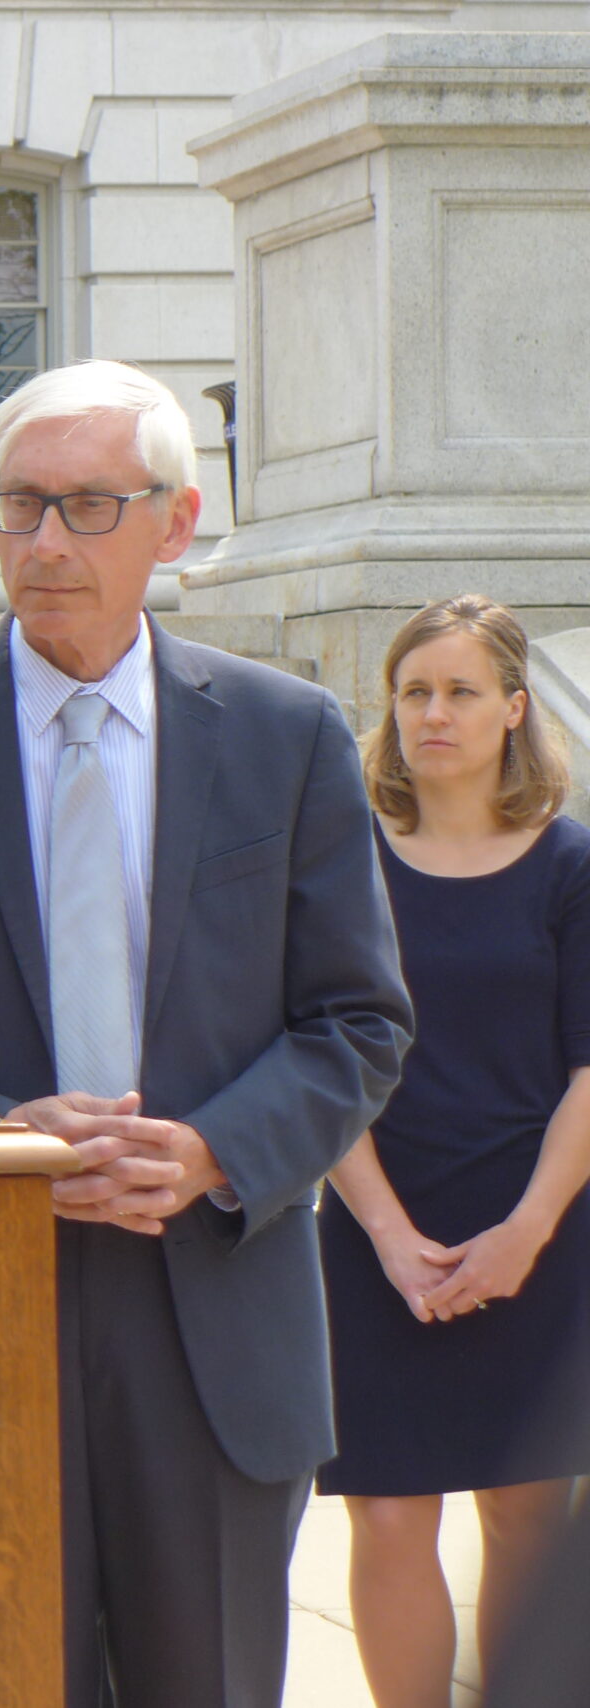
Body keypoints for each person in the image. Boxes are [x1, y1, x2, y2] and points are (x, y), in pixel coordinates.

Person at [0, 359, 412, 1708]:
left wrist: (210, 1150)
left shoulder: (283, 737)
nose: (46, 542)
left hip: (214, 1311)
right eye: (20, 506)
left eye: (87, 508)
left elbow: (356, 1020)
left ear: (174, 526)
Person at [316, 595, 590, 1707]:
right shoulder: (338, 861)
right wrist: (387, 1236)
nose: (433, 712)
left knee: (527, 1507)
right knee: (386, 1508)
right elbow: (316, 1055)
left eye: (460, 691)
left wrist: (524, 1234)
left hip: (541, 1223)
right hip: (379, 1220)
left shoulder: (570, 861)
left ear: (514, 709)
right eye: (413, 690)